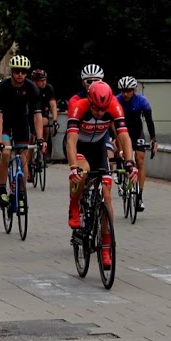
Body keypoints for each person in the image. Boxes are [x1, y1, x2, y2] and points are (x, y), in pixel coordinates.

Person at [67, 81, 136, 268]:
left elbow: (124, 136)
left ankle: (106, 245)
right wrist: (73, 166)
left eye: (103, 110)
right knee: (84, 171)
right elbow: (71, 141)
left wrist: (129, 162)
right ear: (89, 101)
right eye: (96, 109)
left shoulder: (114, 106)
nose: (99, 113)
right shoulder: (78, 107)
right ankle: (74, 203)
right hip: (80, 146)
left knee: (106, 194)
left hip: (98, 147)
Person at [0, 55, 43, 208]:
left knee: (23, 158)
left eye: (23, 72)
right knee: (6, 153)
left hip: (22, 123)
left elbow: (37, 115)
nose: (20, 75)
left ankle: (21, 192)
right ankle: (2, 188)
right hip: (6, 123)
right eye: (17, 71)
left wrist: (40, 138)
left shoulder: (31, 88)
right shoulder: (2, 88)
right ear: (12, 72)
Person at [116, 76, 155, 212]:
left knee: (139, 159)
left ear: (134, 90)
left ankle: (139, 195)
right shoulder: (117, 101)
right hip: (121, 132)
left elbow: (149, 121)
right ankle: (120, 174)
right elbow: (110, 121)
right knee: (121, 153)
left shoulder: (142, 101)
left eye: (128, 91)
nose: (125, 94)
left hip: (136, 132)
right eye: (122, 91)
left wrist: (153, 139)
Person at [31, 69, 58, 157]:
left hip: (43, 112)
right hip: (30, 113)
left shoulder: (48, 88)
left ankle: (44, 146)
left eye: (45, 80)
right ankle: (29, 158)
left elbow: (53, 105)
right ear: (35, 81)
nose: (44, 82)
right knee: (31, 137)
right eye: (41, 81)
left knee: (45, 126)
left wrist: (55, 120)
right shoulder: (30, 88)